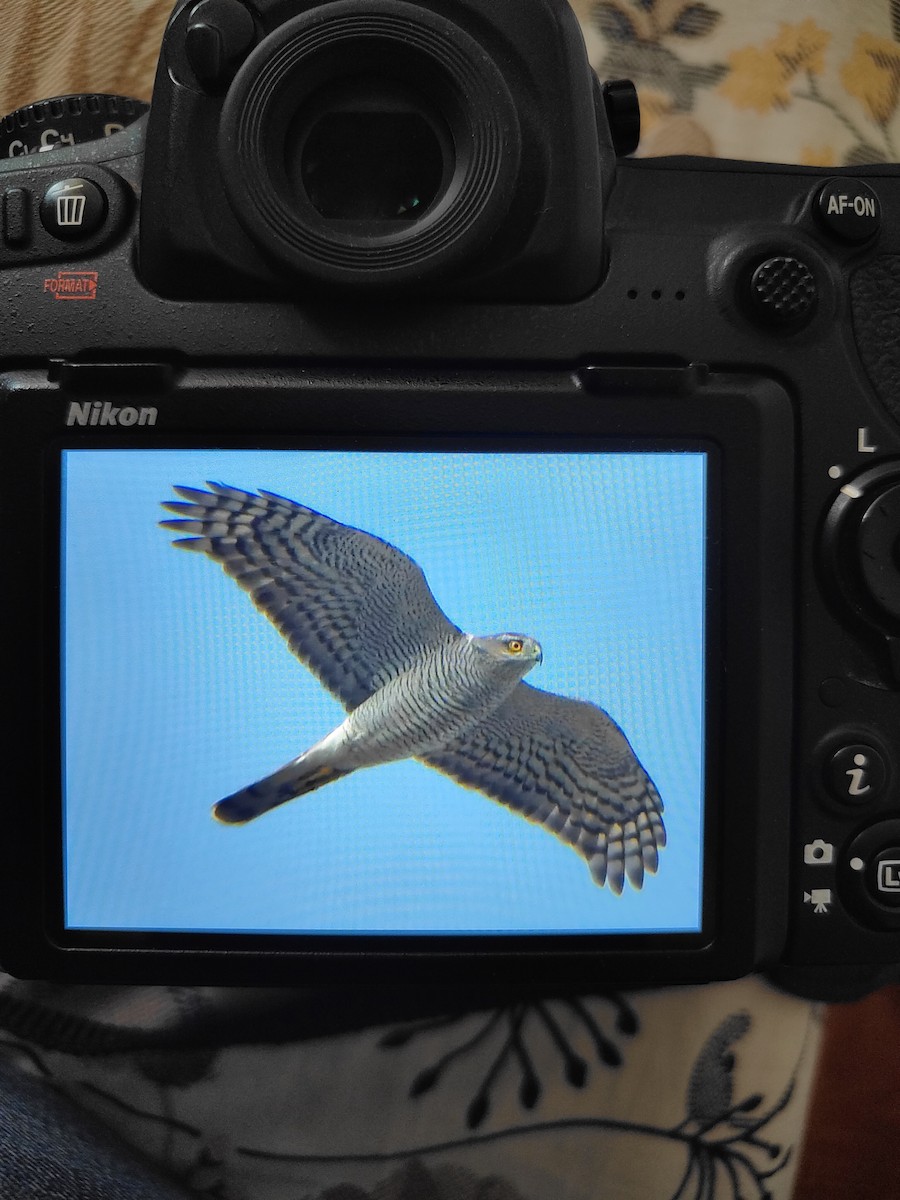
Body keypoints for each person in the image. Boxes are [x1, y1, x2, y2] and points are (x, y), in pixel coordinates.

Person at [3, 2, 899, 1196]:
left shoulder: (559, 722)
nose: (528, 650)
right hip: (356, 727)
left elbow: (619, 809)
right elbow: (269, 532)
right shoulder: (402, 596)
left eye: (533, 643)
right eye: (519, 636)